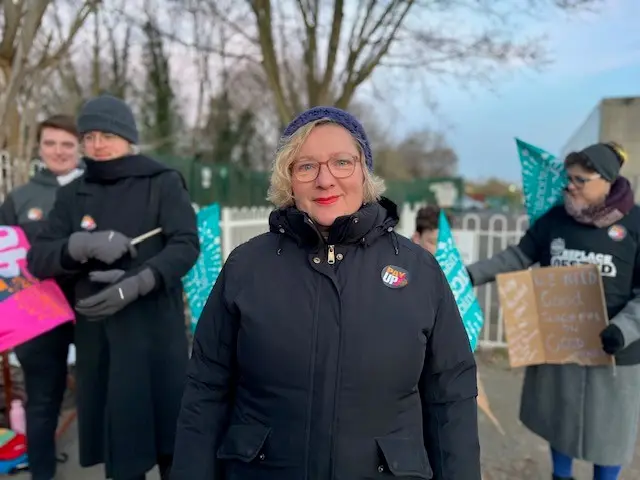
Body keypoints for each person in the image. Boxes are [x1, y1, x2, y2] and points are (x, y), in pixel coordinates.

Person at [170, 106, 481, 480]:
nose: (325, 180)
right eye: (306, 167)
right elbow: (206, 387)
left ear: (364, 170)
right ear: (288, 180)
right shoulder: (246, 267)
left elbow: (451, 398)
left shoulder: (420, 272)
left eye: (341, 162)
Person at [26, 94, 200, 480]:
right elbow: (38, 259)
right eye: (88, 136)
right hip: (101, 341)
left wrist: (141, 281)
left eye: (106, 134)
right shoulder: (73, 194)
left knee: (173, 445)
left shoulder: (163, 182)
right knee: (122, 453)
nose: (96, 145)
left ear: (127, 137)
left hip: (155, 333)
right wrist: (78, 246)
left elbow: (186, 244)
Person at [466, 142, 639, 480]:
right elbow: (517, 256)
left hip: (616, 352)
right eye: (568, 178)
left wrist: (624, 329)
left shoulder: (635, 224)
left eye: (580, 180)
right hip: (561, 341)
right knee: (560, 419)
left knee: (610, 431)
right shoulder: (556, 219)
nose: (569, 186)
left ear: (606, 180)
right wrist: (468, 275)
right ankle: (561, 476)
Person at [0, 114, 82, 480]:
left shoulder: (96, 191)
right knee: (42, 402)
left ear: (79, 148)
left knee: (106, 398)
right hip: (37, 320)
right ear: (39, 147)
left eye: (67, 144)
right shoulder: (20, 199)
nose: (58, 151)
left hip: (92, 310)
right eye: (51, 143)